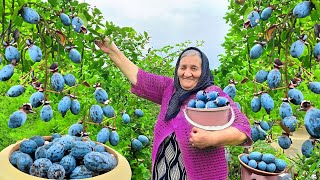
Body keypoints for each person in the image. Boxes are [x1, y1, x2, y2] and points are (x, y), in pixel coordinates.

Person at [94, 38, 252, 180]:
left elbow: (242, 130)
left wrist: (212, 139)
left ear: (203, 71)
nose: (187, 73)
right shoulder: (168, 89)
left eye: (194, 68)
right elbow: (138, 77)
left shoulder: (213, 95)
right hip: (164, 173)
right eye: (183, 67)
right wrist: (111, 49)